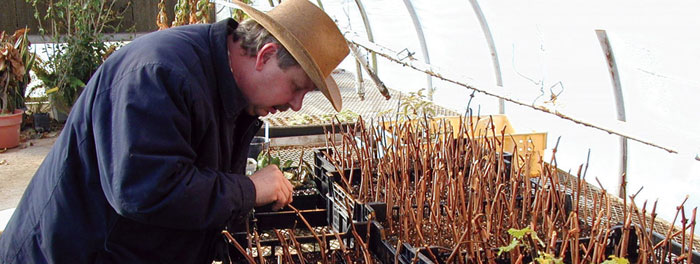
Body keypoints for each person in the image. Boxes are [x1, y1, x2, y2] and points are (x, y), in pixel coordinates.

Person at [0, 0, 349, 263]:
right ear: (265, 56)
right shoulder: (160, 74)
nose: (297, 104)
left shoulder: (222, 85)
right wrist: (248, 189)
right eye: (297, 87)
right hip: (74, 252)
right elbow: (144, 188)